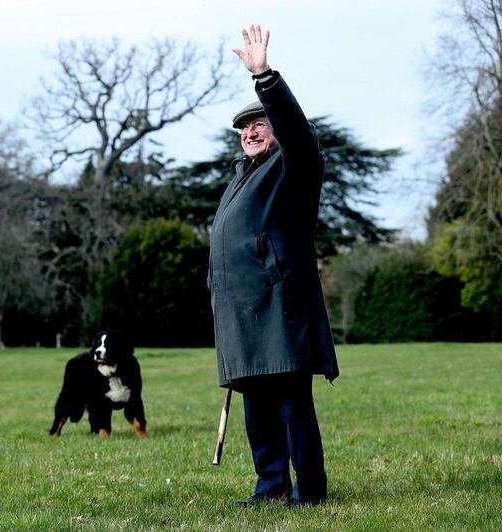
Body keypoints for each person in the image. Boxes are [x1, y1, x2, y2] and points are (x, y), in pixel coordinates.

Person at [208, 24, 339, 509]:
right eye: (244, 128)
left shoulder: (294, 167)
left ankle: (311, 491)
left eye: (259, 123)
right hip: (240, 312)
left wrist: (264, 77)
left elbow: (296, 131)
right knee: (257, 406)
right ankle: (271, 485)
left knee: (290, 403)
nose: (250, 132)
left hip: (280, 306)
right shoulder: (241, 179)